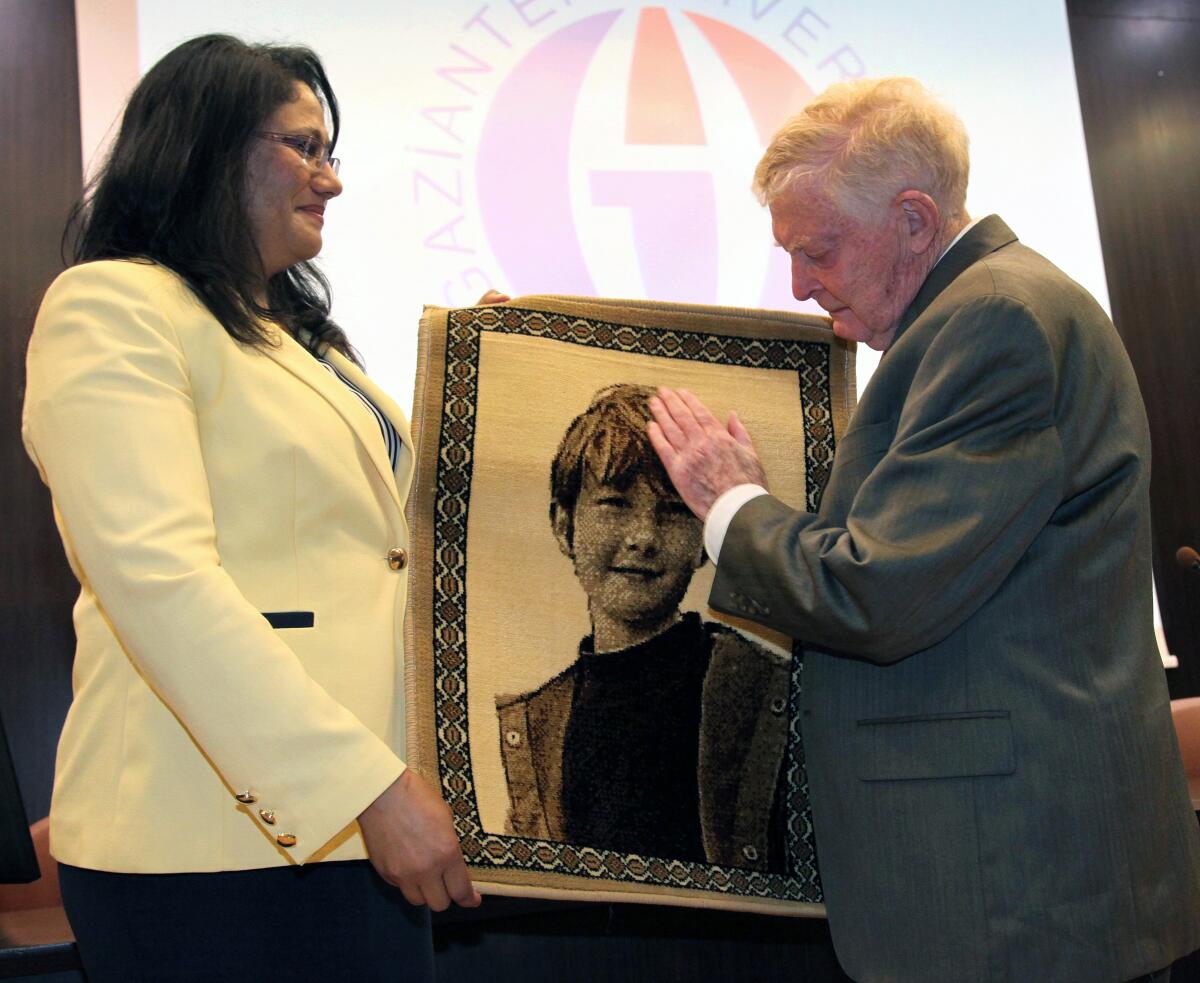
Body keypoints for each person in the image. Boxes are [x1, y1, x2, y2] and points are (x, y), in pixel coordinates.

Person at [647, 77, 1200, 982]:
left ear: (913, 219)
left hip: (1015, 900)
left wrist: (731, 505)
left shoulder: (993, 322)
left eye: (818, 249)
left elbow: (878, 593)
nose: (798, 285)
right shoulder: (974, 314)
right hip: (1012, 891)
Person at [22, 34, 479, 982]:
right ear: (205, 147)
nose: (331, 180)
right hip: (209, 848)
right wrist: (364, 787)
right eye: (302, 147)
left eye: (330, 151)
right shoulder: (112, 306)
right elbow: (159, 581)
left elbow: (387, 540)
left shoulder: (300, 337)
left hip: (357, 832)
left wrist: (505, 368)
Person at [496, 384, 790, 871]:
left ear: (705, 540)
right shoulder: (535, 719)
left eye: (675, 512)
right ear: (562, 523)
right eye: (614, 504)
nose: (643, 538)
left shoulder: (766, 687)